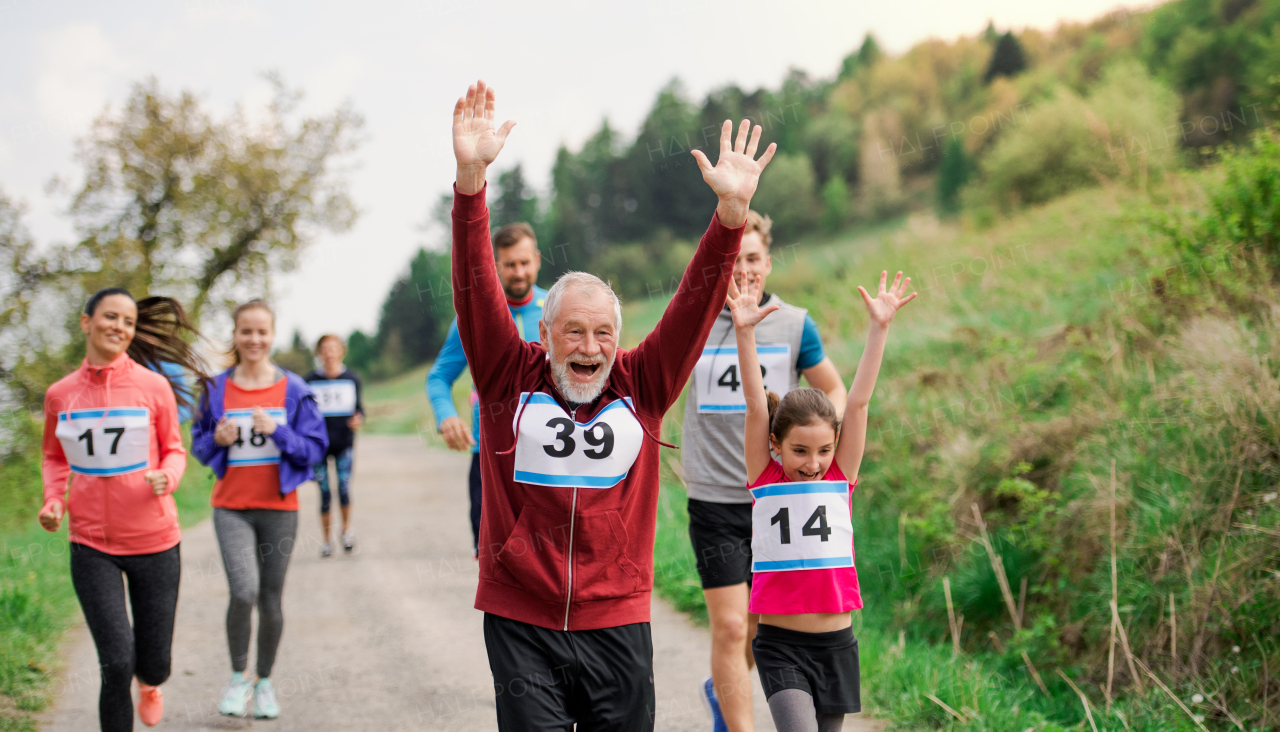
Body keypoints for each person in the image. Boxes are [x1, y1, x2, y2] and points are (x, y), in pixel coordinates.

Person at [448, 79, 775, 732]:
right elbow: (476, 283)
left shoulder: (643, 382)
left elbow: (691, 304)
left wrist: (730, 220)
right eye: (574, 331)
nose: (590, 347)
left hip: (617, 621)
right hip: (521, 622)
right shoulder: (506, 375)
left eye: (603, 332)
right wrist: (469, 184)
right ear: (544, 334)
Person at [680, 209, 848, 732]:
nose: (743, 271)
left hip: (780, 503)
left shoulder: (796, 324)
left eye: (752, 259)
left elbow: (835, 390)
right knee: (731, 627)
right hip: (715, 497)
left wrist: (820, 448)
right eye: (731, 261)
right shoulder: (693, 323)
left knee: (760, 629)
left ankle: (720, 691)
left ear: (767, 263)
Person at [729, 270, 915, 732]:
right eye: (800, 451)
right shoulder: (765, 477)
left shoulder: (839, 477)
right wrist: (744, 332)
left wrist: (880, 329)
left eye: (823, 450)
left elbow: (857, 404)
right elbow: (755, 404)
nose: (813, 463)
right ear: (775, 444)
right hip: (780, 645)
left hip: (837, 645)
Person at [39, 288, 209, 731]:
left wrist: (167, 477)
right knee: (115, 663)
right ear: (86, 322)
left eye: (128, 322)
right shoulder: (60, 395)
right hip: (91, 544)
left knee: (153, 663)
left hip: (155, 541)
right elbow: (55, 457)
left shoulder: (153, 387)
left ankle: (151, 684)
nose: (120, 327)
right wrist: (54, 499)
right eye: (110, 317)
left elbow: (174, 449)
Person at [192, 299, 328, 720]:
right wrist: (217, 439)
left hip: (279, 509)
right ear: (234, 335)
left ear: (273, 335)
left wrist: (280, 432)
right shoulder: (214, 389)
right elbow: (197, 444)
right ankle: (238, 677)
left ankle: (265, 682)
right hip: (231, 508)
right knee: (243, 591)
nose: (254, 339)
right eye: (245, 331)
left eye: (261, 332)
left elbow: (314, 450)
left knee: (271, 598)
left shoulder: (294, 390)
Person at [426, 221, 546, 556]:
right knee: (492, 554)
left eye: (524, 263)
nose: (518, 272)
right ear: (495, 266)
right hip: (488, 455)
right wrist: (446, 416)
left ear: (537, 260)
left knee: (547, 556)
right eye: (510, 265)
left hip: (548, 450)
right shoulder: (475, 316)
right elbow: (438, 376)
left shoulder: (558, 309)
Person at [304, 334, 365, 557]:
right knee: (324, 493)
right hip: (319, 447)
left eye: (334, 348)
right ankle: (327, 540)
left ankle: (346, 532)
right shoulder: (309, 381)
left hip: (344, 444)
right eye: (325, 349)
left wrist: (359, 418)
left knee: (344, 489)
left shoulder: (352, 378)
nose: (329, 353)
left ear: (341, 351)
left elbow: (360, 408)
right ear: (319, 353)